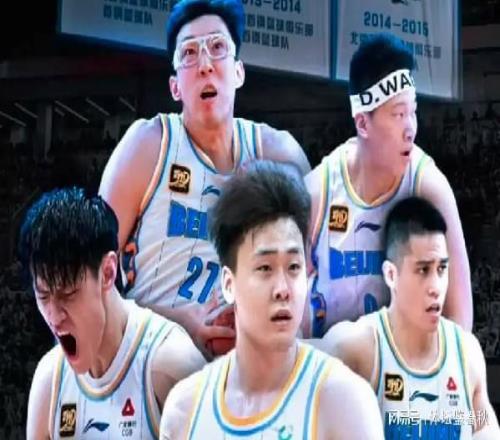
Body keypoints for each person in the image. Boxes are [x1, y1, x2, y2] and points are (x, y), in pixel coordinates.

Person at [99, 0, 310, 358]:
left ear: (239, 72)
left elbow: (314, 281)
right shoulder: (147, 146)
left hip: (252, 368)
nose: (205, 64)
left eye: (217, 47)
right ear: (175, 87)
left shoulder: (280, 154)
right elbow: (89, 278)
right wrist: (180, 323)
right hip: (154, 362)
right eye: (189, 53)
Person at [159, 161, 383, 439]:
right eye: (265, 268)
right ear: (229, 284)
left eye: (293, 267)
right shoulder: (185, 409)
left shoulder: (345, 402)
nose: (282, 289)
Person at [304, 33, 472, 338]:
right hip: (329, 361)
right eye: (398, 114)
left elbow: (460, 321)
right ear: (362, 123)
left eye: (413, 112)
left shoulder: (428, 187)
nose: (411, 129)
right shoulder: (319, 192)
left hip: (403, 364)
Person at [21, 188, 205, 440]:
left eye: (68, 294)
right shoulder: (49, 382)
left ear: (107, 272)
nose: (54, 317)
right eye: (43, 296)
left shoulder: (171, 364)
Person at [312, 197, 499, 439]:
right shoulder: (355, 348)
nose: (436, 287)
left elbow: (483, 423)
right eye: (423, 270)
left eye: (441, 269)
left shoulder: (467, 353)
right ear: (391, 275)